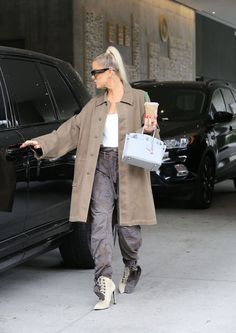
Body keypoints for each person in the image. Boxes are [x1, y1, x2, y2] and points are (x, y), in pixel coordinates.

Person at [20, 46, 159, 310]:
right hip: (99, 168)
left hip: (129, 168)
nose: (92, 77)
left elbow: (154, 139)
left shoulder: (140, 98)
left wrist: (150, 130)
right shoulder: (94, 106)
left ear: (111, 72)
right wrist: (41, 143)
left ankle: (131, 266)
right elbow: (69, 131)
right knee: (99, 226)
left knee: (129, 230)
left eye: (96, 72)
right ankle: (103, 282)